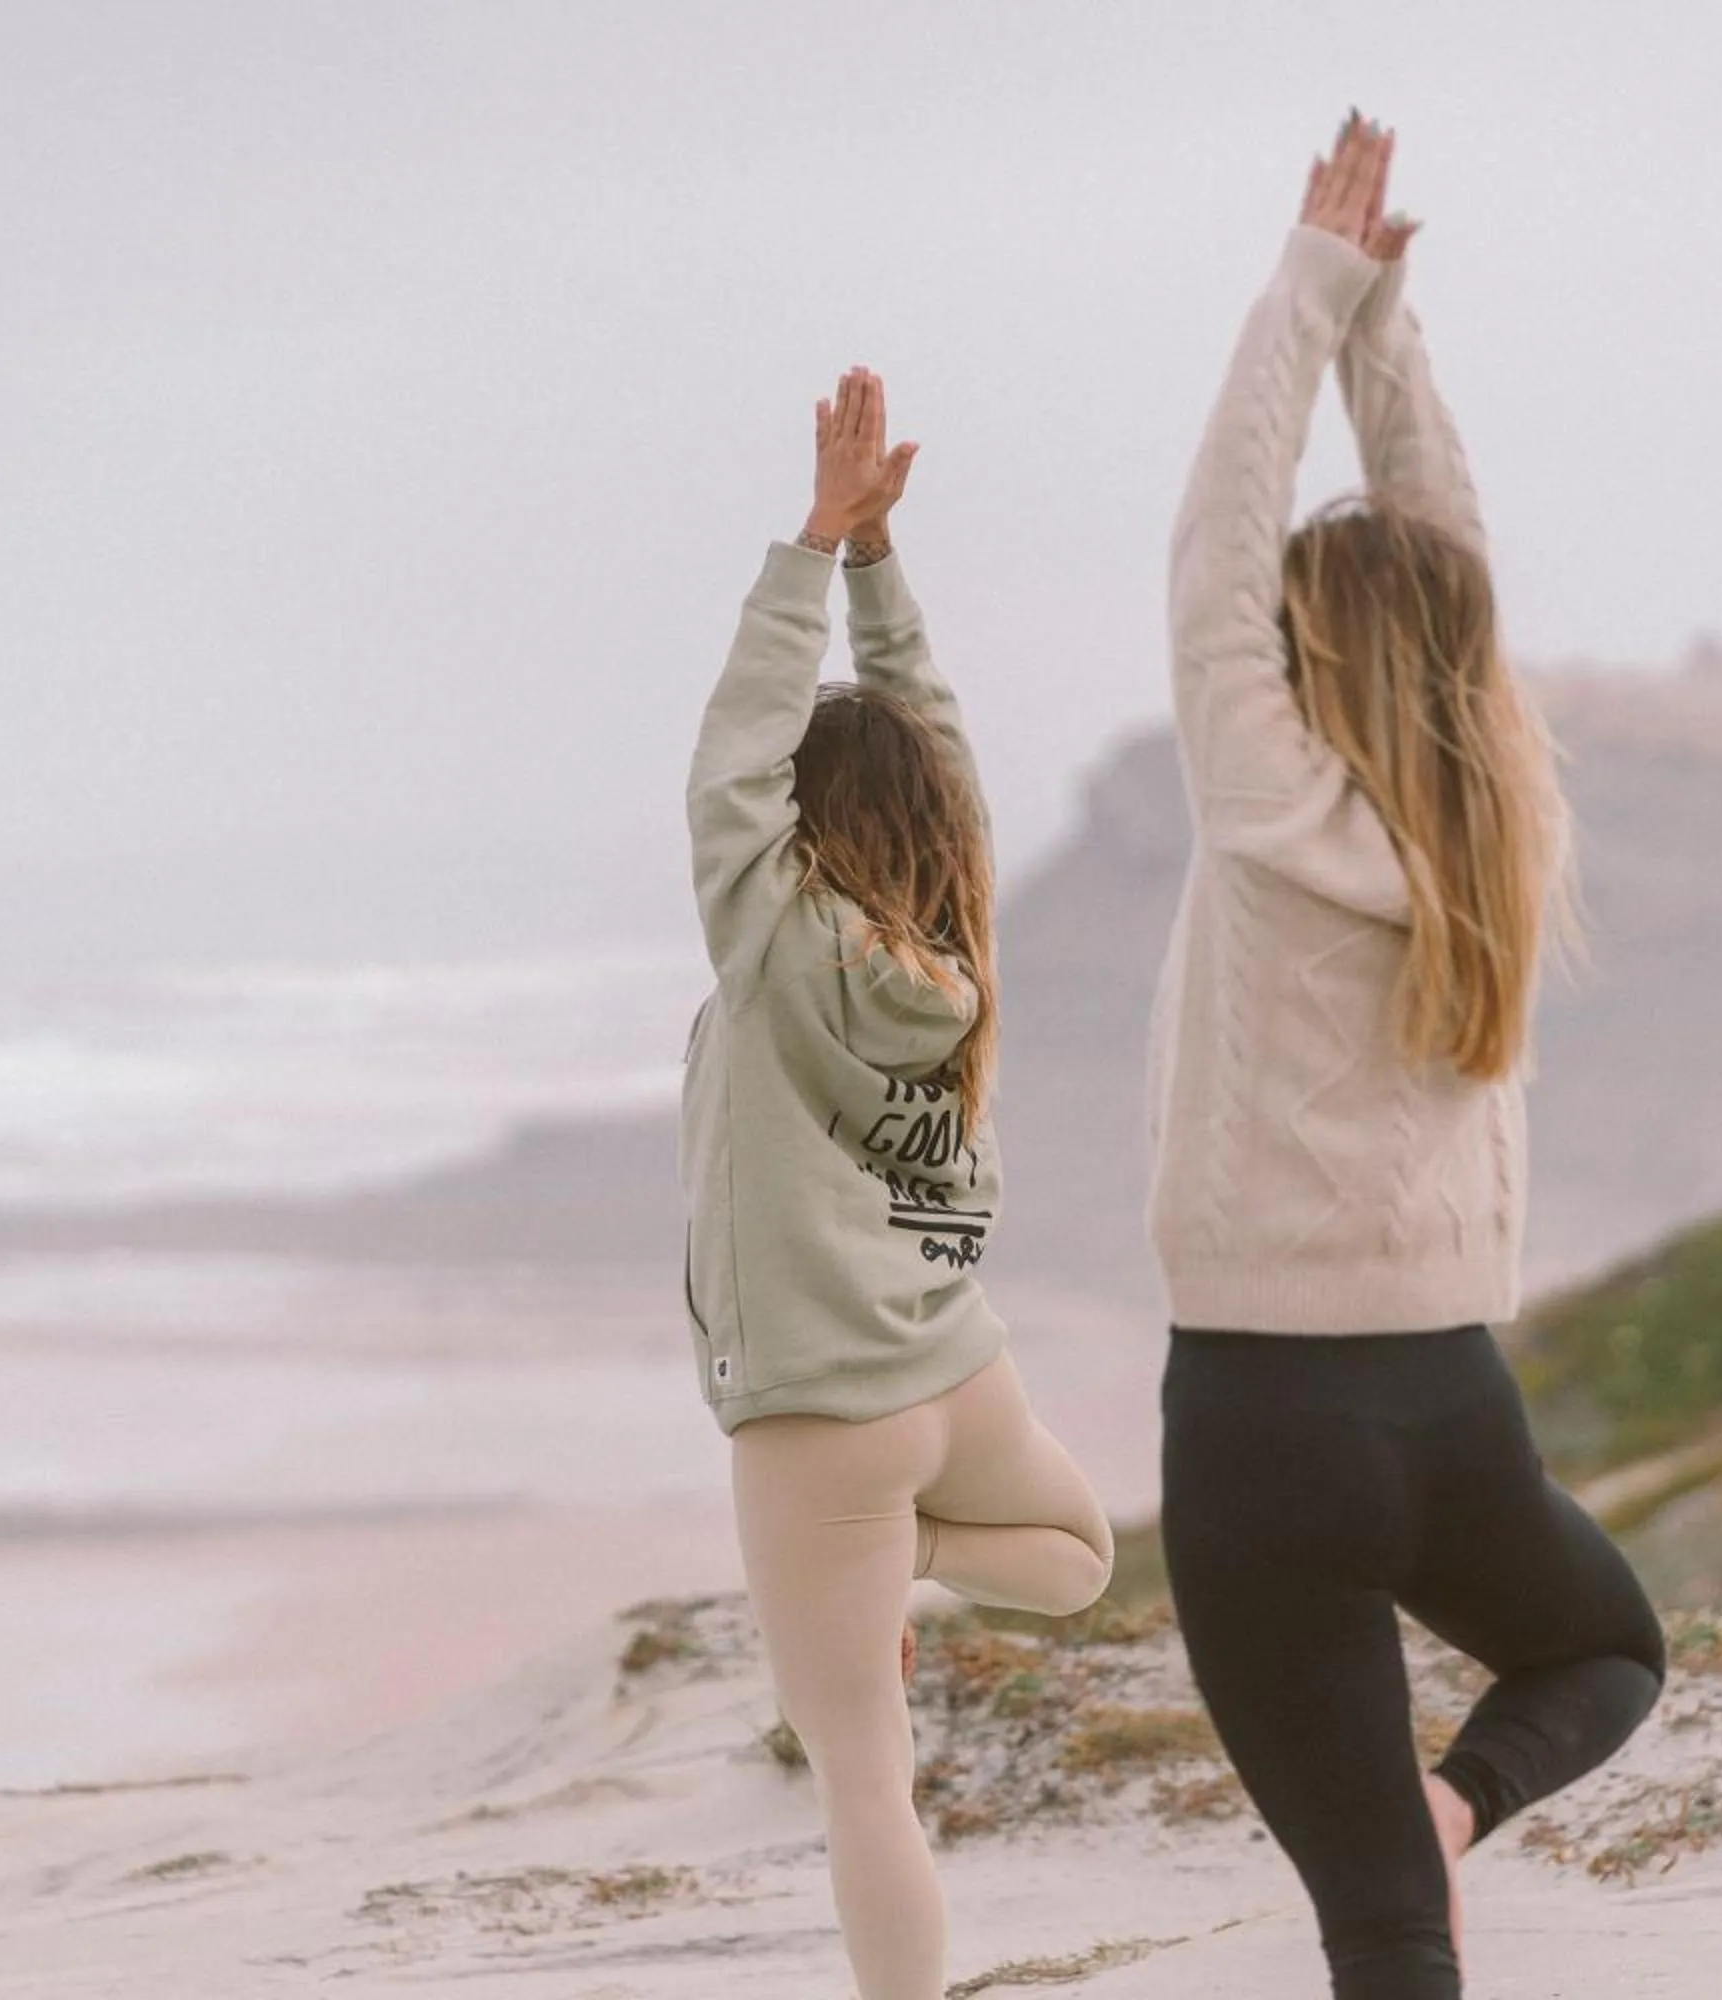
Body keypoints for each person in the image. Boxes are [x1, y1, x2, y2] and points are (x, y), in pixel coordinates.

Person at [1149, 113, 1669, 2000]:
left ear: (1300, 669)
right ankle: (1447, 1816)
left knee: (1380, 1938)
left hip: (1266, 1427)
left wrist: (1317, 294)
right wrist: (1380, 327)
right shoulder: (1492, 833)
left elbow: (1218, 550)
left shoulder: (1275, 819)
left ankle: (1415, 1847)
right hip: (1455, 1409)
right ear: (1461, 670)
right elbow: (1443, 563)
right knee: (1602, 1652)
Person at [680, 366, 1116, 2000]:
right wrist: (879, 576)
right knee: (1075, 1556)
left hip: (819, 1415)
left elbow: (728, 770)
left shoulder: (781, 948)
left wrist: (814, 547)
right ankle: (916, 1554)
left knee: (867, 1777)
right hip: (955, 1370)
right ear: (937, 823)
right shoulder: (960, 945)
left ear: (796, 827)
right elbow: (935, 748)